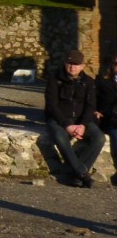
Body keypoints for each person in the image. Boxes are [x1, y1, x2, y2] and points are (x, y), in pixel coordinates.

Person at [44, 49, 105, 188]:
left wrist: (82, 125)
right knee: (60, 136)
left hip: (81, 120)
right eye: (69, 63)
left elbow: (91, 106)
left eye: (76, 64)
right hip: (59, 119)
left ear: (82, 66)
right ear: (65, 64)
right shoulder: (54, 79)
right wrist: (67, 125)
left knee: (99, 138)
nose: (72, 67)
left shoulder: (88, 82)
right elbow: (52, 105)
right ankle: (82, 173)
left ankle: (75, 175)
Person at [94, 52, 117, 186]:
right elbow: (93, 100)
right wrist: (95, 111)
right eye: (116, 64)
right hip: (111, 121)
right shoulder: (102, 83)